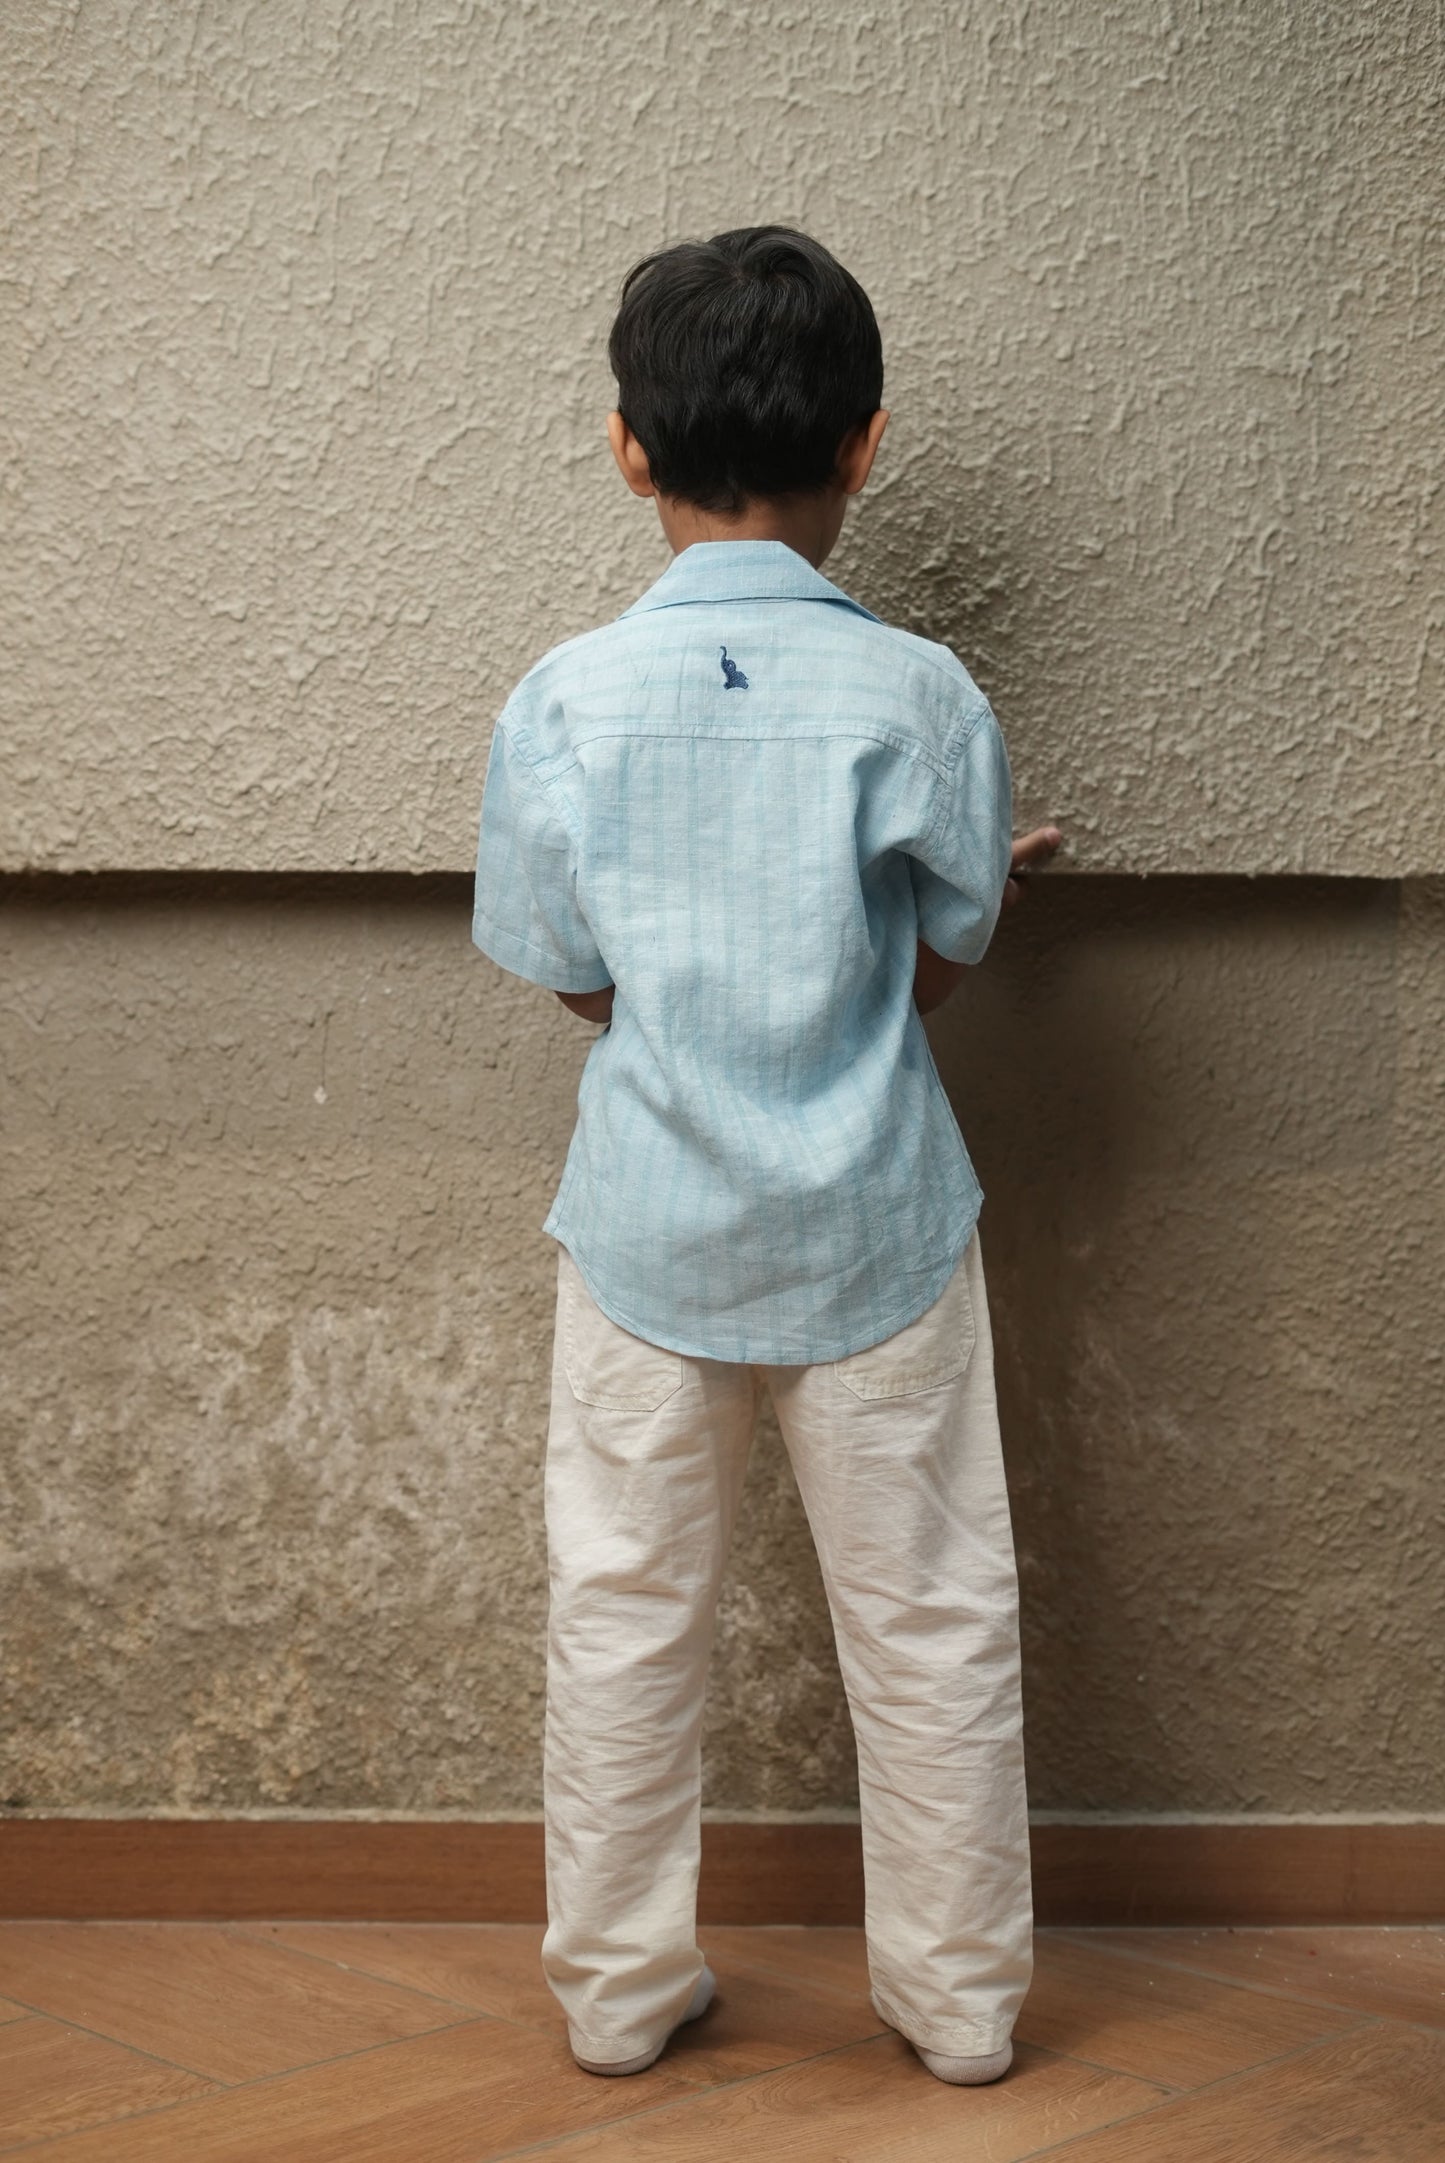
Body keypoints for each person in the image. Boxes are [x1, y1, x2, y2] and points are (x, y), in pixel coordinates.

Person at [471, 225, 1061, 2087]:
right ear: (865, 447)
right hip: (880, 1227)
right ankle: (960, 2010)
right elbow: (944, 971)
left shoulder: (563, 698)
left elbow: (575, 985)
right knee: (934, 1617)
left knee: (624, 1612)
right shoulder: (924, 696)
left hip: (644, 1233)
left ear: (627, 451)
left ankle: (621, 1999)